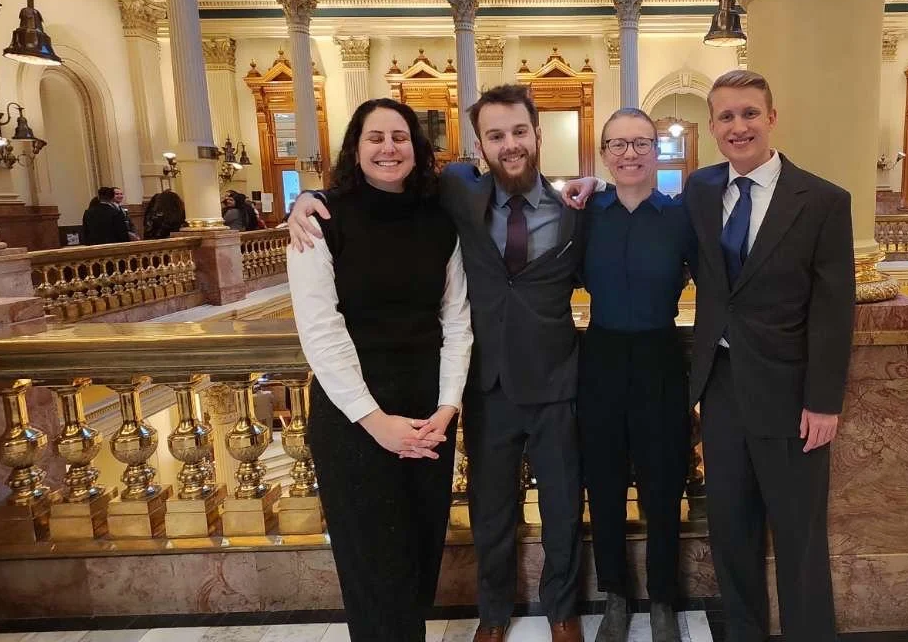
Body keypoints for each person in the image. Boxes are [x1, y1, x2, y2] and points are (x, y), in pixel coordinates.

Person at [289, 84, 588, 642]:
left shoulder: (573, 209)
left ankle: (562, 612)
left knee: (559, 508)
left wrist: (601, 181)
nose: (509, 143)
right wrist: (303, 197)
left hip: (539, 383)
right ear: (479, 145)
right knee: (486, 511)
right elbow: (324, 321)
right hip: (475, 388)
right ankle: (493, 615)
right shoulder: (456, 195)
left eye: (519, 131)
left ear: (537, 134)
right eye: (495, 135)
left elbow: (454, 311)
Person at [567, 70, 854, 642]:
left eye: (749, 113)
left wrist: (824, 399)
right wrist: (583, 186)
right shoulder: (699, 192)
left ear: (771, 118)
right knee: (729, 527)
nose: (738, 126)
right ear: (713, 126)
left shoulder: (820, 200)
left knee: (797, 534)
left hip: (782, 388)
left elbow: (834, 307)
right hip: (712, 383)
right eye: (726, 116)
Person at [287, 97, 473, 642]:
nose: (388, 148)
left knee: (419, 555)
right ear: (355, 148)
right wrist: (375, 422)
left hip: (428, 411)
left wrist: (447, 407)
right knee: (373, 568)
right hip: (354, 416)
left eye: (399, 137)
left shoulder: (439, 218)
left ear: (417, 148)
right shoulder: (321, 219)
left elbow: (456, 319)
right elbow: (320, 331)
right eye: (375, 137)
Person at [576, 109, 694, 642]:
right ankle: (616, 596)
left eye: (641, 143)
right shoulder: (585, 215)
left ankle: (663, 597)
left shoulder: (680, 217)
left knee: (663, 482)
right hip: (600, 356)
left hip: (660, 356)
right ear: (604, 154)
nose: (630, 154)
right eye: (618, 145)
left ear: (657, 149)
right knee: (603, 483)